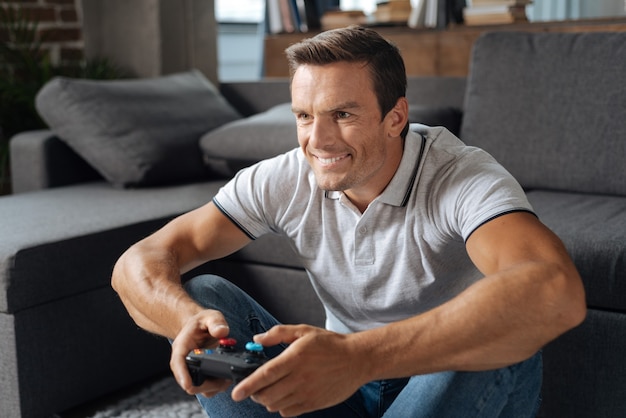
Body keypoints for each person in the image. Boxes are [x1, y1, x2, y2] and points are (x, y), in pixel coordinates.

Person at [112, 26, 586, 417]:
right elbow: (138, 263)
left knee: (488, 335)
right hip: (334, 388)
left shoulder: (461, 178)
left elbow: (555, 292)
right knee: (202, 294)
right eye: (304, 115)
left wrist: (358, 358)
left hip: (439, 386)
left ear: (395, 117)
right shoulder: (287, 176)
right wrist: (184, 320)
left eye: (342, 114)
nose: (318, 140)